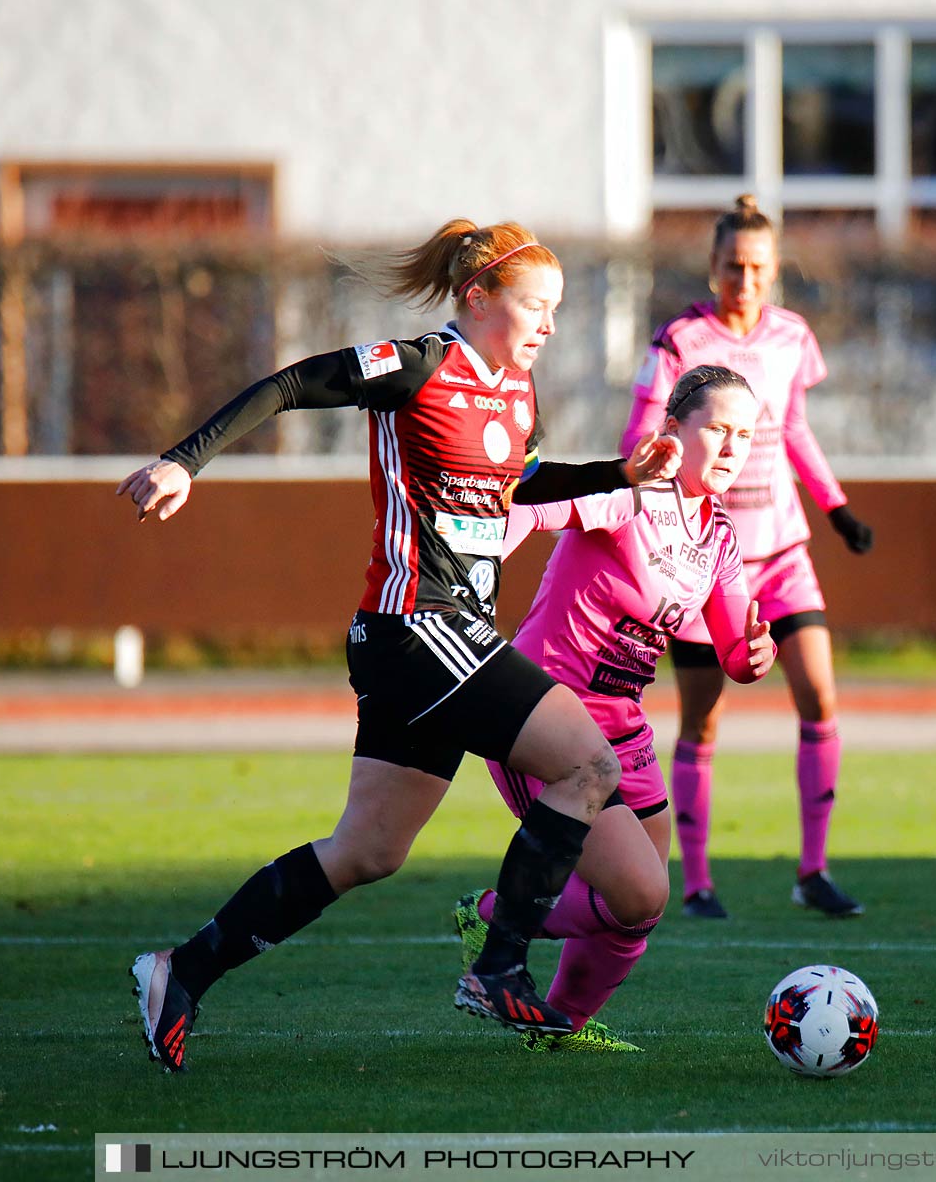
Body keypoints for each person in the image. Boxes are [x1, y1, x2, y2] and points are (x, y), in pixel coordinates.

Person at [116, 220, 685, 1071]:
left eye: (556, 310)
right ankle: (498, 965)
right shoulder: (422, 364)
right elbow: (295, 382)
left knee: (367, 851)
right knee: (591, 767)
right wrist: (184, 462)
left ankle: (181, 970)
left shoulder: (517, 390)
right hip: (420, 626)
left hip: (437, 640)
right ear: (478, 297)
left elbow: (519, 481)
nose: (549, 326)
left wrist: (620, 474)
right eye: (536, 306)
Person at [455, 365, 776, 1052]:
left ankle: (559, 1029)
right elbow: (531, 514)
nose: (730, 447)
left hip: (623, 724)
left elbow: (735, 656)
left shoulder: (716, 535)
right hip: (543, 714)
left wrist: (757, 651)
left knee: (636, 911)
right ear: (671, 431)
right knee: (640, 892)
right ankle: (491, 917)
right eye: (716, 428)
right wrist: (474, 553)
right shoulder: (629, 493)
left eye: (744, 436)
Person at [619, 196, 873, 920]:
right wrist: (642, 510)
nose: (747, 280)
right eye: (734, 266)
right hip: (704, 560)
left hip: (783, 550)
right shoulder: (678, 342)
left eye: (760, 267)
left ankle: (813, 871)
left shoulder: (792, 335)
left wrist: (837, 508)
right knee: (702, 721)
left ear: (774, 270)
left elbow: (792, 426)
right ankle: (696, 884)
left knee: (820, 698)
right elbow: (641, 438)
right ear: (713, 266)